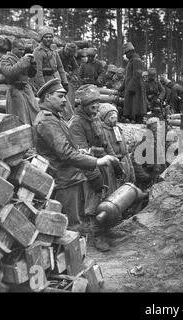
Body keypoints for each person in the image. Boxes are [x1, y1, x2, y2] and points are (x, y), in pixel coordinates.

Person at [33, 79, 118, 251]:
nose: (65, 100)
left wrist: (84, 153)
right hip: (62, 178)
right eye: (60, 96)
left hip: (70, 176)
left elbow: (69, 147)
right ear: (48, 97)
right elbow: (65, 153)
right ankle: (73, 266)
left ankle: (73, 261)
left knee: (73, 222)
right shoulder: (47, 121)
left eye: (65, 96)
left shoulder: (55, 118)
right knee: (70, 225)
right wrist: (96, 161)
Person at [69, 84, 121, 251]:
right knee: (94, 203)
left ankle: (106, 230)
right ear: (83, 105)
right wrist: (94, 176)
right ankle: (96, 236)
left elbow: (105, 142)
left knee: (108, 199)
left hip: (104, 165)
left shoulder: (96, 118)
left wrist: (115, 162)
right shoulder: (76, 123)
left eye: (97, 104)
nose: (95, 108)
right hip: (88, 168)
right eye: (92, 105)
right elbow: (80, 154)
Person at [0, 38, 40, 125]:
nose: (22, 52)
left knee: (34, 111)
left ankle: (34, 132)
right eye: (20, 49)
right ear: (13, 48)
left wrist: (33, 64)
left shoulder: (23, 58)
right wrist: (23, 61)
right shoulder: (5, 59)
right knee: (19, 115)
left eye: (23, 49)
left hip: (26, 88)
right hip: (14, 89)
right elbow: (9, 72)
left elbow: (31, 74)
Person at [97, 103, 136, 187]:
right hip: (111, 165)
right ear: (105, 117)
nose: (114, 119)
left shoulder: (118, 129)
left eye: (115, 116)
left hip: (124, 161)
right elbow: (107, 149)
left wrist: (131, 168)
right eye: (111, 116)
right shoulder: (102, 131)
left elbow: (125, 150)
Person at [33, 26, 69, 92]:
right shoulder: (38, 51)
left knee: (63, 99)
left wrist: (65, 82)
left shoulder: (54, 50)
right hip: (44, 80)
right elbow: (38, 71)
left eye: (50, 37)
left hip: (55, 79)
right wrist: (43, 87)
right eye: (46, 37)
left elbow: (60, 67)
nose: (48, 39)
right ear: (41, 38)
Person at [120, 42, 147, 124]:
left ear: (131, 51)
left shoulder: (136, 61)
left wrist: (131, 88)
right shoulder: (130, 61)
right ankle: (133, 119)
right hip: (130, 87)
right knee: (131, 106)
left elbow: (137, 75)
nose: (126, 55)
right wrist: (122, 87)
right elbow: (127, 77)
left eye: (126, 53)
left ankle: (138, 120)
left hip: (136, 88)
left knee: (136, 106)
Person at [58, 42, 79, 120]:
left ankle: (70, 112)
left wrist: (73, 74)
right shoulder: (58, 54)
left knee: (71, 89)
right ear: (67, 50)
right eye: (70, 54)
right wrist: (63, 72)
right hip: (56, 76)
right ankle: (62, 113)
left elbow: (76, 67)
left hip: (65, 78)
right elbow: (54, 66)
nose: (71, 56)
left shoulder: (70, 55)